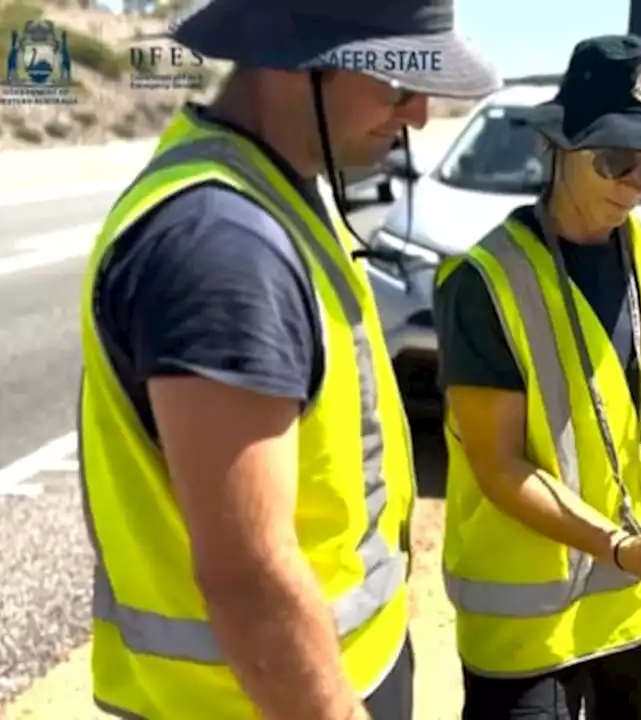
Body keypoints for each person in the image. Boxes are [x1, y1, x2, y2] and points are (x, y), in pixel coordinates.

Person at [75, 0, 499, 718]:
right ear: (294, 62)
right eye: (399, 83)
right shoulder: (223, 247)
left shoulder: (274, 190)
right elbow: (251, 576)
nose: (421, 113)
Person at [433, 35, 641, 719]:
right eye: (615, 160)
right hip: (532, 627)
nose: (635, 183)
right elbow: (497, 464)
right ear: (559, 147)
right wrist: (615, 546)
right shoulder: (486, 283)